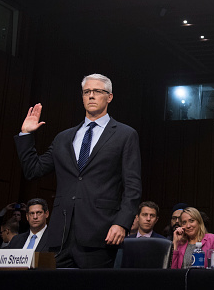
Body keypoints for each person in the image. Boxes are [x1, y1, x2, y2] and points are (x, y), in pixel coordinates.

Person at [14, 73, 142, 268]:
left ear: (109, 97)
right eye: (86, 92)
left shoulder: (125, 135)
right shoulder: (63, 138)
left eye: (97, 91)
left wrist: (122, 223)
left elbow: (132, 186)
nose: (91, 96)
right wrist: (26, 134)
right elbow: (33, 170)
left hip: (100, 233)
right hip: (60, 234)